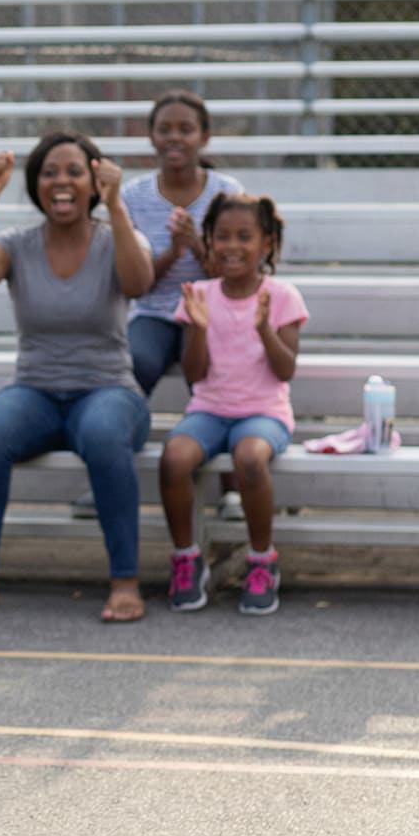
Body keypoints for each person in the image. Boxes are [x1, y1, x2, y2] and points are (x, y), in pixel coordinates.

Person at [0, 133, 156, 623]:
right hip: (36, 390)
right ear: (36, 184)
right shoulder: (17, 245)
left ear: (92, 181)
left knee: (105, 436)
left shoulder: (118, 237)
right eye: (49, 173)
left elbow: (139, 283)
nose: (61, 182)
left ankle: (125, 582)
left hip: (109, 390)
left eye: (73, 172)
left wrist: (117, 205)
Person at [73, 90, 243, 519]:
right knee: (130, 369)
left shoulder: (227, 192)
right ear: (151, 137)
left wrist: (198, 247)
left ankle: (234, 488)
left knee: (215, 374)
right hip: (154, 310)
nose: (175, 138)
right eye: (165, 129)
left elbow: (234, 274)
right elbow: (135, 283)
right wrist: (172, 251)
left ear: (204, 137)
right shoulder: (132, 196)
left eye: (185, 129)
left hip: (211, 311)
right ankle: (107, 476)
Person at [159, 193, 306, 615]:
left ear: (267, 245)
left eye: (245, 236)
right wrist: (199, 329)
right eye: (221, 236)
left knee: (249, 459)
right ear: (209, 240)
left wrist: (263, 329)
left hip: (264, 413)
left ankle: (262, 561)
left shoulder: (281, 296)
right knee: (174, 459)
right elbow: (195, 373)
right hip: (209, 410)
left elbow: (285, 371)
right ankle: (186, 557)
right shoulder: (200, 294)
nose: (232, 245)